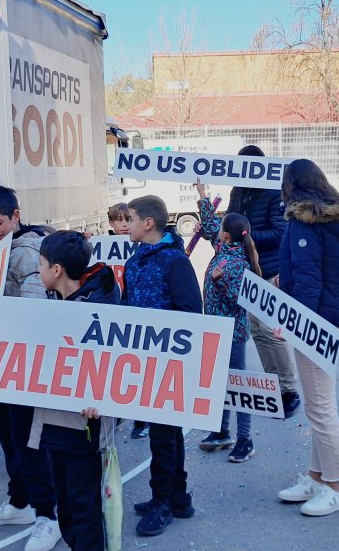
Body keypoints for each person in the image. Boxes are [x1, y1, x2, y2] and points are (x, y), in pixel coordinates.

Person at [0, 186, 59, 551]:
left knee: (28, 441)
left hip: (21, 363)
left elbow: (32, 310)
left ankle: (47, 516)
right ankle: (20, 501)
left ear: (17, 216)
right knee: (8, 437)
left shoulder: (27, 250)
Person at [273, 159, 339, 517]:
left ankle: (335, 486)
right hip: (331, 315)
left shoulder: (303, 221)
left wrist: (291, 320)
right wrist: (285, 282)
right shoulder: (335, 215)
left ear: (292, 185)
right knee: (317, 404)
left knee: (321, 408)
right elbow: (319, 269)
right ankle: (316, 476)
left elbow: (309, 280)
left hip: (315, 321)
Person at [30, 230, 121, 551]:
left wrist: (101, 399)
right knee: (67, 507)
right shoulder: (58, 300)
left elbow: (116, 363)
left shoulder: (99, 306)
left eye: (40, 264)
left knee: (83, 508)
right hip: (55, 422)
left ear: (57, 270)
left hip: (83, 428)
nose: (37, 271)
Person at [123, 195, 202, 537]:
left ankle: (163, 502)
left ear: (148, 223)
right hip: (141, 361)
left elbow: (191, 312)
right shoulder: (135, 259)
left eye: (130, 219)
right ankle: (178, 496)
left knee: (164, 434)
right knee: (165, 432)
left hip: (167, 363)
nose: (125, 225)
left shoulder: (175, 261)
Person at [222, 144, 301, 418]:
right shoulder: (238, 191)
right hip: (246, 271)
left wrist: (245, 237)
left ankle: (289, 389)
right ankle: (276, 387)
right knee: (257, 331)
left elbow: (281, 232)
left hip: (268, 270)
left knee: (269, 331)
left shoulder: (272, 192)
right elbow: (230, 223)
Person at [193, 179, 263, 463]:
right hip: (215, 331)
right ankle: (222, 431)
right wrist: (202, 196)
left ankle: (245, 438)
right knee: (219, 384)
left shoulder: (239, 264)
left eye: (220, 230)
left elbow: (238, 300)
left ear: (226, 237)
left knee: (237, 384)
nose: (216, 231)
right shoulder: (223, 250)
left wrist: (219, 282)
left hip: (232, 335)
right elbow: (209, 224)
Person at [108, 201, 149, 440]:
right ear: (111, 223)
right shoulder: (101, 245)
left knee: (138, 369)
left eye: (128, 220)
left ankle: (141, 420)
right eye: (119, 220)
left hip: (134, 309)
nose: (124, 225)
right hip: (114, 310)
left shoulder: (140, 245)